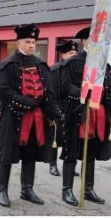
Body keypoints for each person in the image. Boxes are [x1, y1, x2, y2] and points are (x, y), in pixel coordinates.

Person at [0, 24, 62, 208]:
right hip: (13, 117)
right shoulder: (7, 64)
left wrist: (56, 113)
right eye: (27, 42)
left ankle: (27, 189)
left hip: (36, 119)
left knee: (30, 153)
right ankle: (2, 190)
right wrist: (26, 102)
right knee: (7, 154)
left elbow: (49, 93)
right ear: (18, 43)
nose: (31, 45)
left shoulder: (41, 65)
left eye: (33, 42)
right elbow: (3, 91)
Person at [59, 28, 111, 206]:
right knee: (71, 153)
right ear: (84, 41)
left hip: (98, 115)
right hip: (77, 113)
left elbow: (110, 92)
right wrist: (84, 91)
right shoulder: (72, 62)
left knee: (90, 155)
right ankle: (67, 190)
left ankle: (88, 189)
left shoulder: (103, 64)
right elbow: (66, 87)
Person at [47, 40, 77, 177]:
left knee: (71, 139)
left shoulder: (77, 68)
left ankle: (69, 163)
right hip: (58, 107)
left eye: (75, 53)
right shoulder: (54, 69)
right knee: (56, 138)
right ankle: (52, 164)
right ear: (63, 55)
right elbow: (51, 92)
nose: (74, 56)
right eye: (71, 53)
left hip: (73, 108)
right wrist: (54, 112)